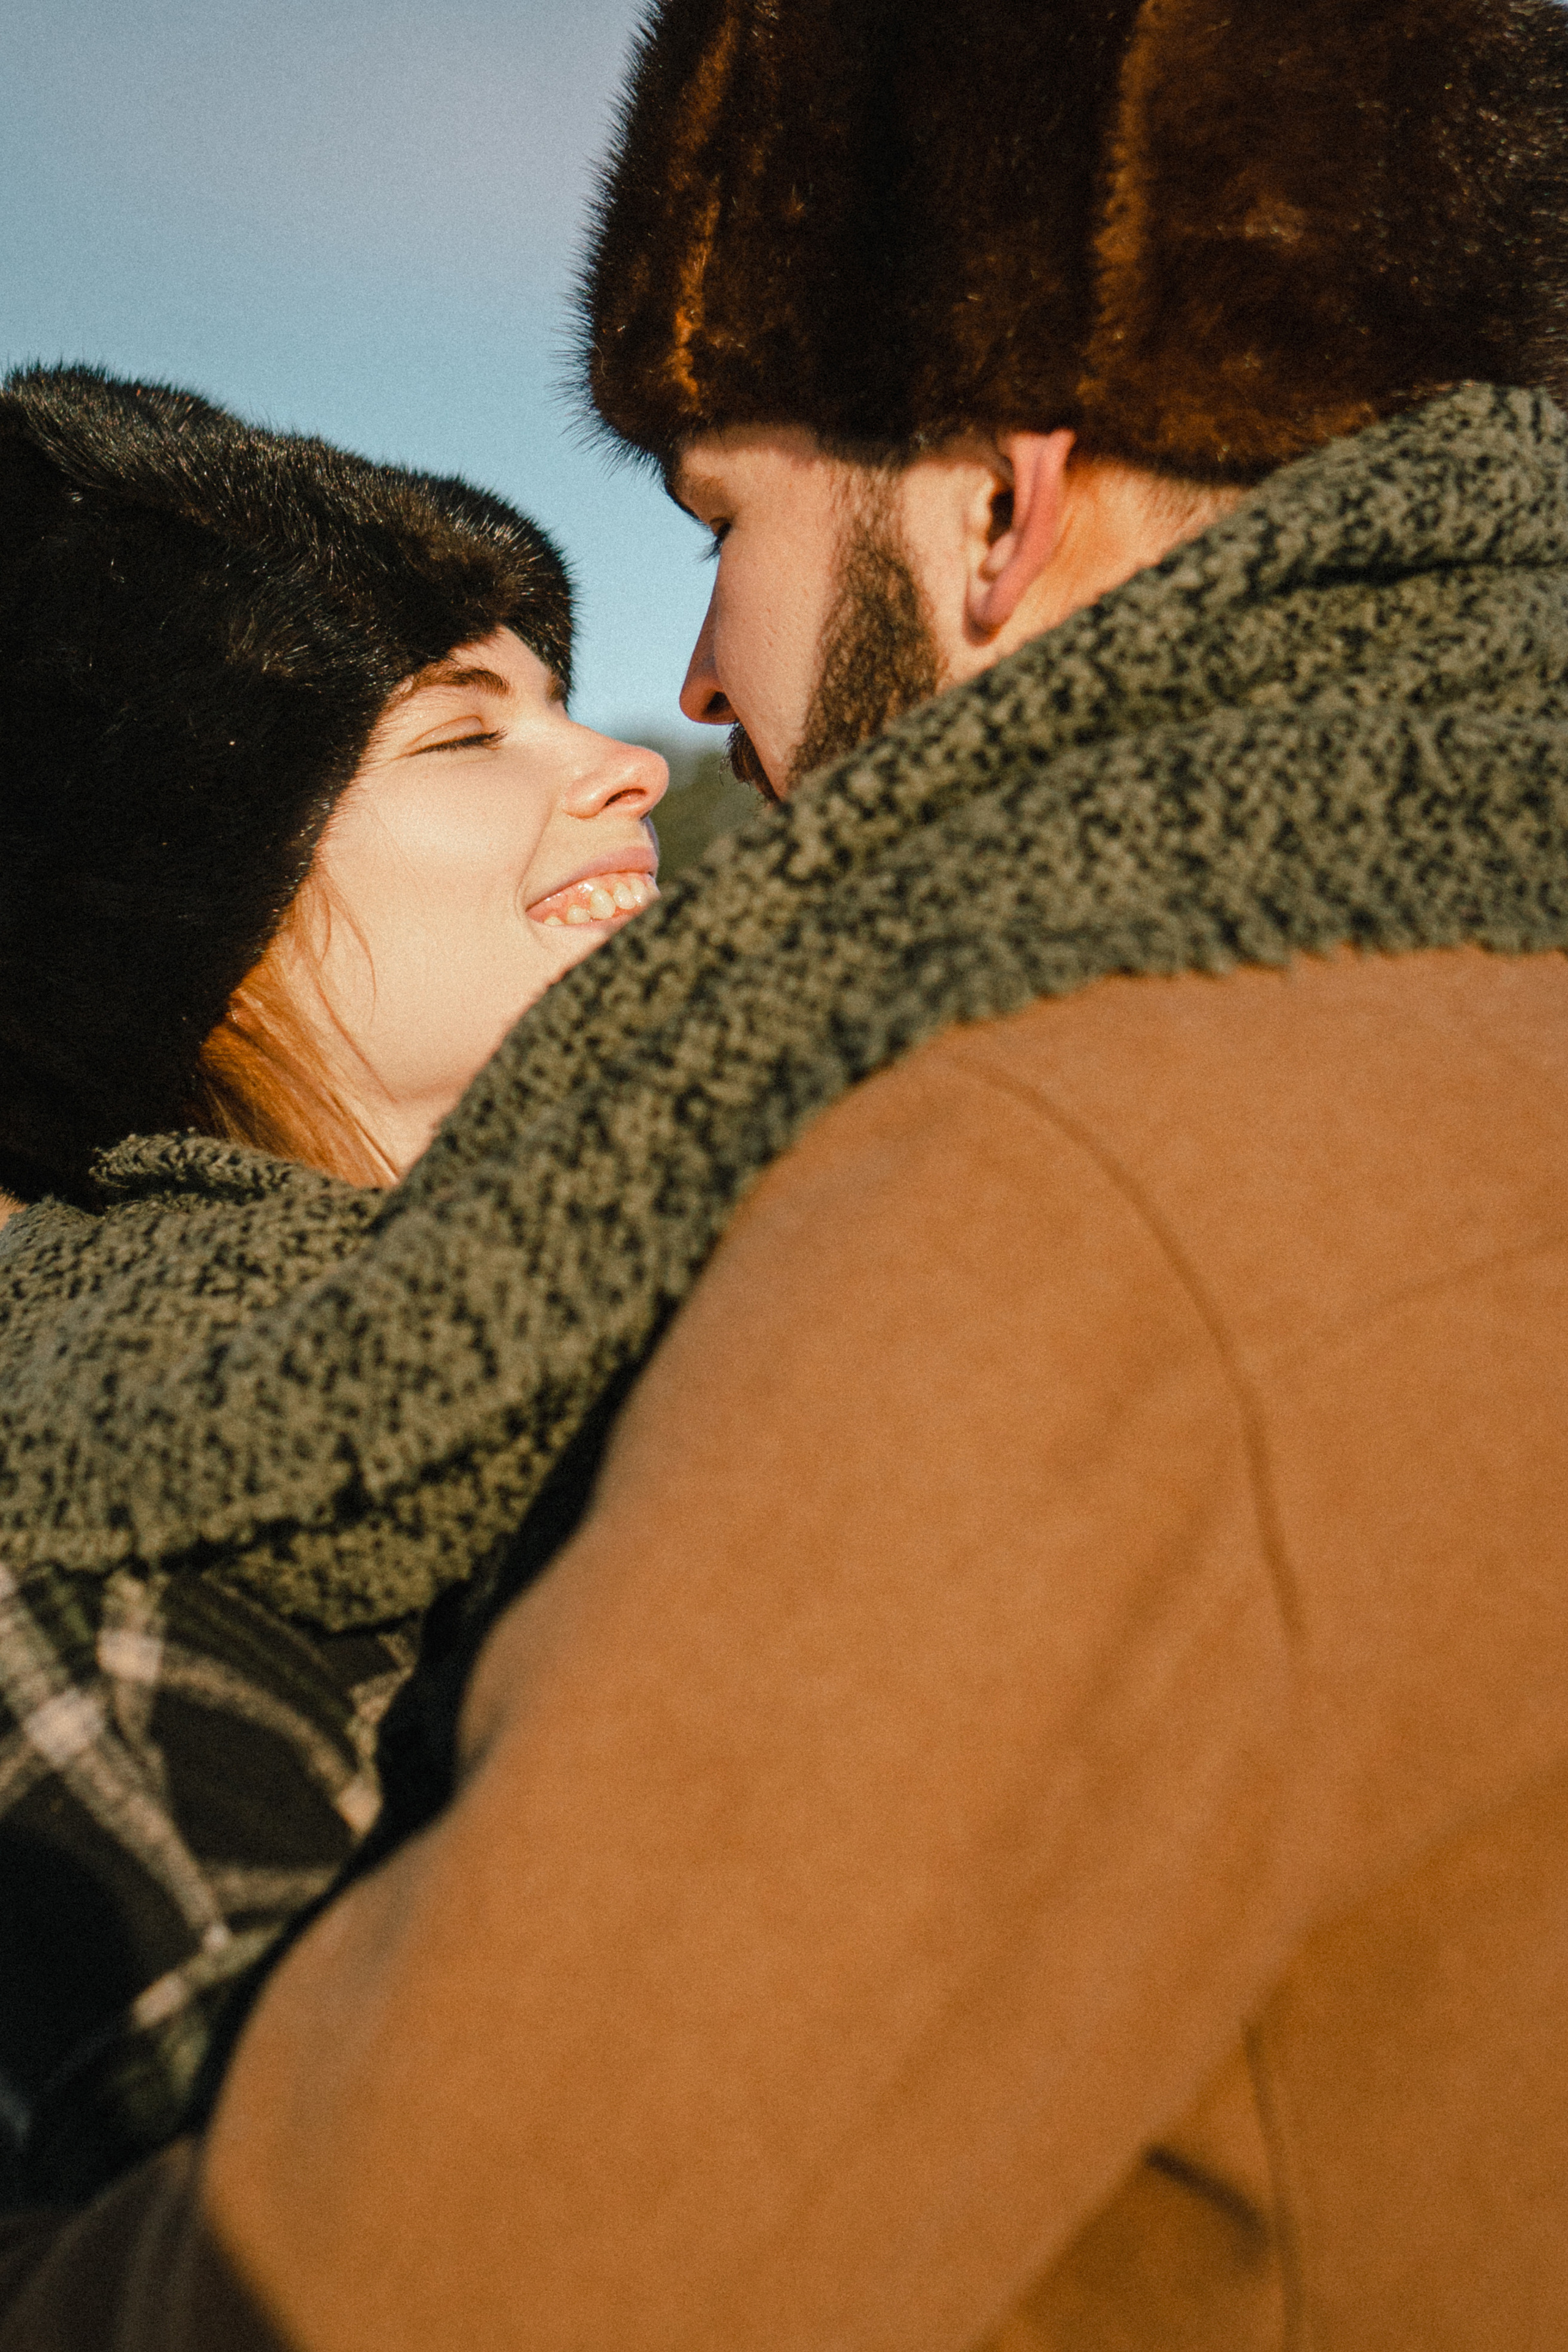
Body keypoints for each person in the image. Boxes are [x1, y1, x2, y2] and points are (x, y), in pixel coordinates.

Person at [7, 0, 1568, 2342]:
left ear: (1001, 513)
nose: (698, 695)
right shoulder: (1455, 1001)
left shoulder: (1050, 1189)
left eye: (720, 526)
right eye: (464, 724)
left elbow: (420, 2292)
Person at [0, 364, 666, 2211]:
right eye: (462, 737)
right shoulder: (91, 1570)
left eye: (556, 699)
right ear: (173, 917)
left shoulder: (711, 1316)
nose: (621, 761)